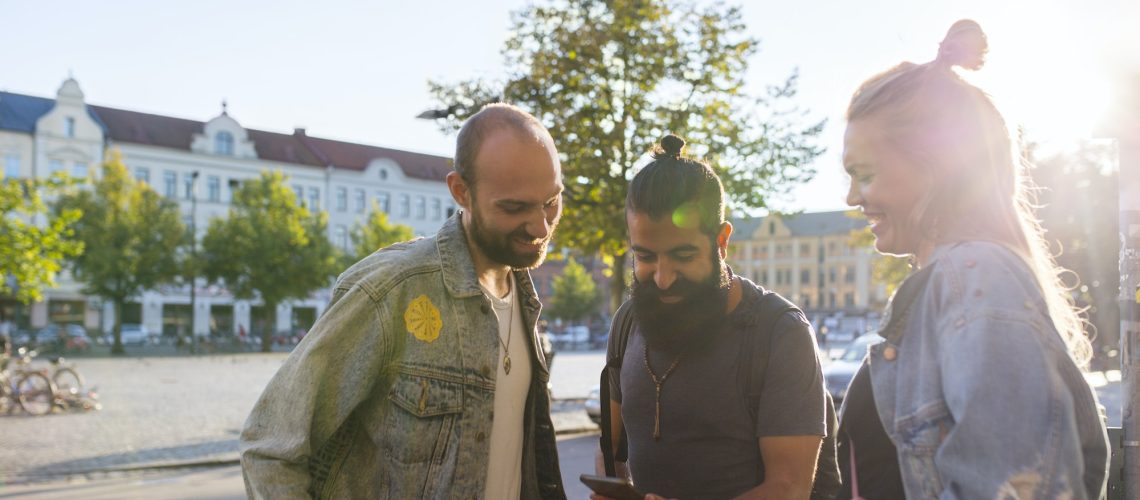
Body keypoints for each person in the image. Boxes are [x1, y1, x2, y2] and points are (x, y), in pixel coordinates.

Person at [836, 19, 1109, 499]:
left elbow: (1019, 488)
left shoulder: (975, 276)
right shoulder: (951, 285)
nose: (852, 197)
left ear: (936, 166)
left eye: (864, 174)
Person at [240, 103, 568, 499]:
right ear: (461, 192)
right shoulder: (390, 290)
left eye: (551, 201)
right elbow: (270, 449)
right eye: (514, 207)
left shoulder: (525, 295)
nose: (540, 226)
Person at [596, 135, 829, 499]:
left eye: (683, 256)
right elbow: (610, 449)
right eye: (645, 257)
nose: (663, 277)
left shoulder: (779, 332)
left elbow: (789, 487)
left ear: (722, 241)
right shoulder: (628, 320)